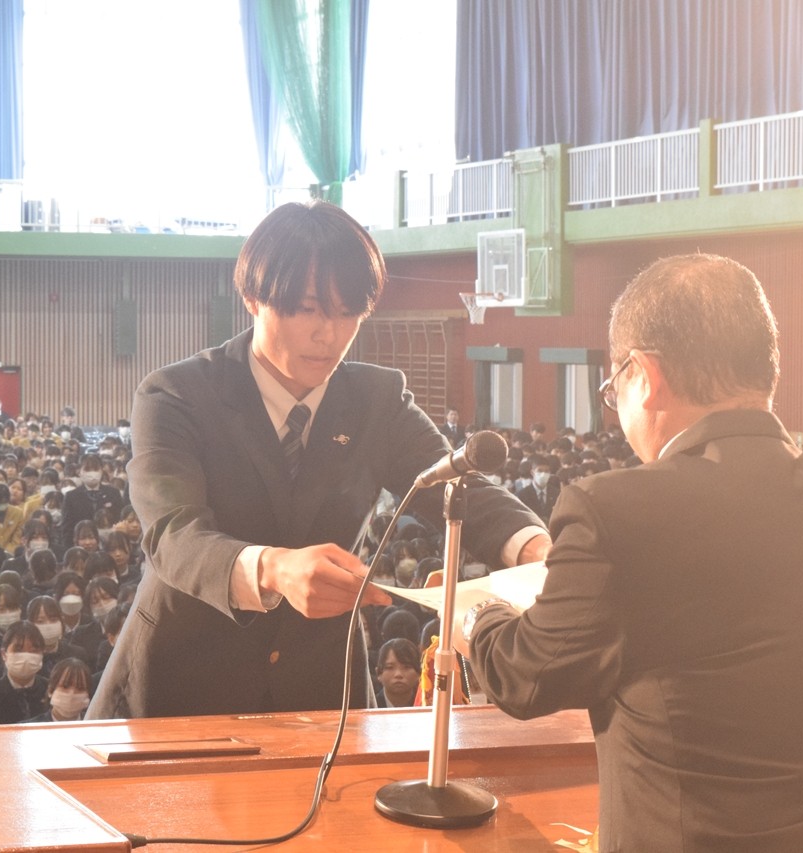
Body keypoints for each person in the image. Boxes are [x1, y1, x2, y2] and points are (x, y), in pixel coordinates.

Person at [453, 254, 803, 850]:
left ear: (643, 374)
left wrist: (476, 613)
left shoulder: (615, 511)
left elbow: (525, 678)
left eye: (612, 389)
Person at [89, 201, 547, 719]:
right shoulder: (177, 394)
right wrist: (273, 568)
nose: (327, 333)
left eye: (347, 313)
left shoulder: (377, 399)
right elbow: (173, 535)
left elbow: (454, 484)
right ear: (253, 297)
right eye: (307, 309)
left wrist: (539, 550)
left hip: (319, 688)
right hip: (182, 682)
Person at [0, 621, 49, 725]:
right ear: (4, 654)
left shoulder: (51, 691)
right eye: (18, 650)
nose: (26, 656)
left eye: (34, 650)